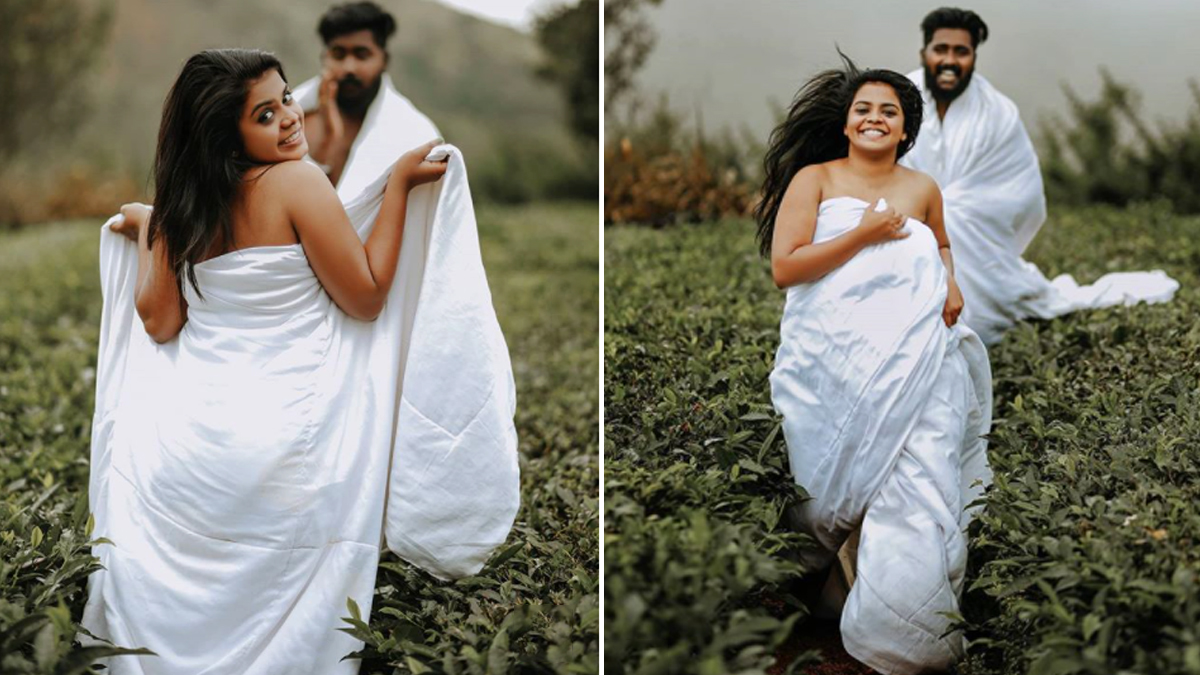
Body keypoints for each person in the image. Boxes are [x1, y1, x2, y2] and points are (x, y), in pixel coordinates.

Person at [82, 48, 520, 674]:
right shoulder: (297, 183)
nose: (290, 118)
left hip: (184, 455)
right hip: (279, 447)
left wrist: (157, 228)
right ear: (224, 132)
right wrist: (395, 186)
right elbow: (366, 297)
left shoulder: (187, 206)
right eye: (265, 113)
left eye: (287, 97)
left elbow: (159, 322)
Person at [755, 54, 992, 674]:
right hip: (833, 354)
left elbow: (938, 240)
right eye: (863, 109)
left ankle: (900, 626)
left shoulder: (922, 188)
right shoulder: (816, 179)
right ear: (847, 122)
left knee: (918, 481)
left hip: (916, 355)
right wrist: (862, 233)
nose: (874, 118)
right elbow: (786, 268)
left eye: (889, 110)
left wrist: (950, 279)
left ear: (906, 129)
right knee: (833, 477)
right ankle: (823, 581)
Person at [901, 7, 1178, 345]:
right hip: (903, 217)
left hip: (971, 236)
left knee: (953, 214)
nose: (950, 60)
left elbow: (1017, 191)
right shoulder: (899, 99)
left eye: (961, 51)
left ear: (973, 57)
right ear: (924, 52)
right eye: (940, 49)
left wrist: (942, 208)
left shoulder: (998, 112)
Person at [299, 1, 439, 203]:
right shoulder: (289, 121)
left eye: (361, 54)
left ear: (384, 60)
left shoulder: (416, 135)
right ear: (324, 58)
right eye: (338, 54)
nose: (349, 67)